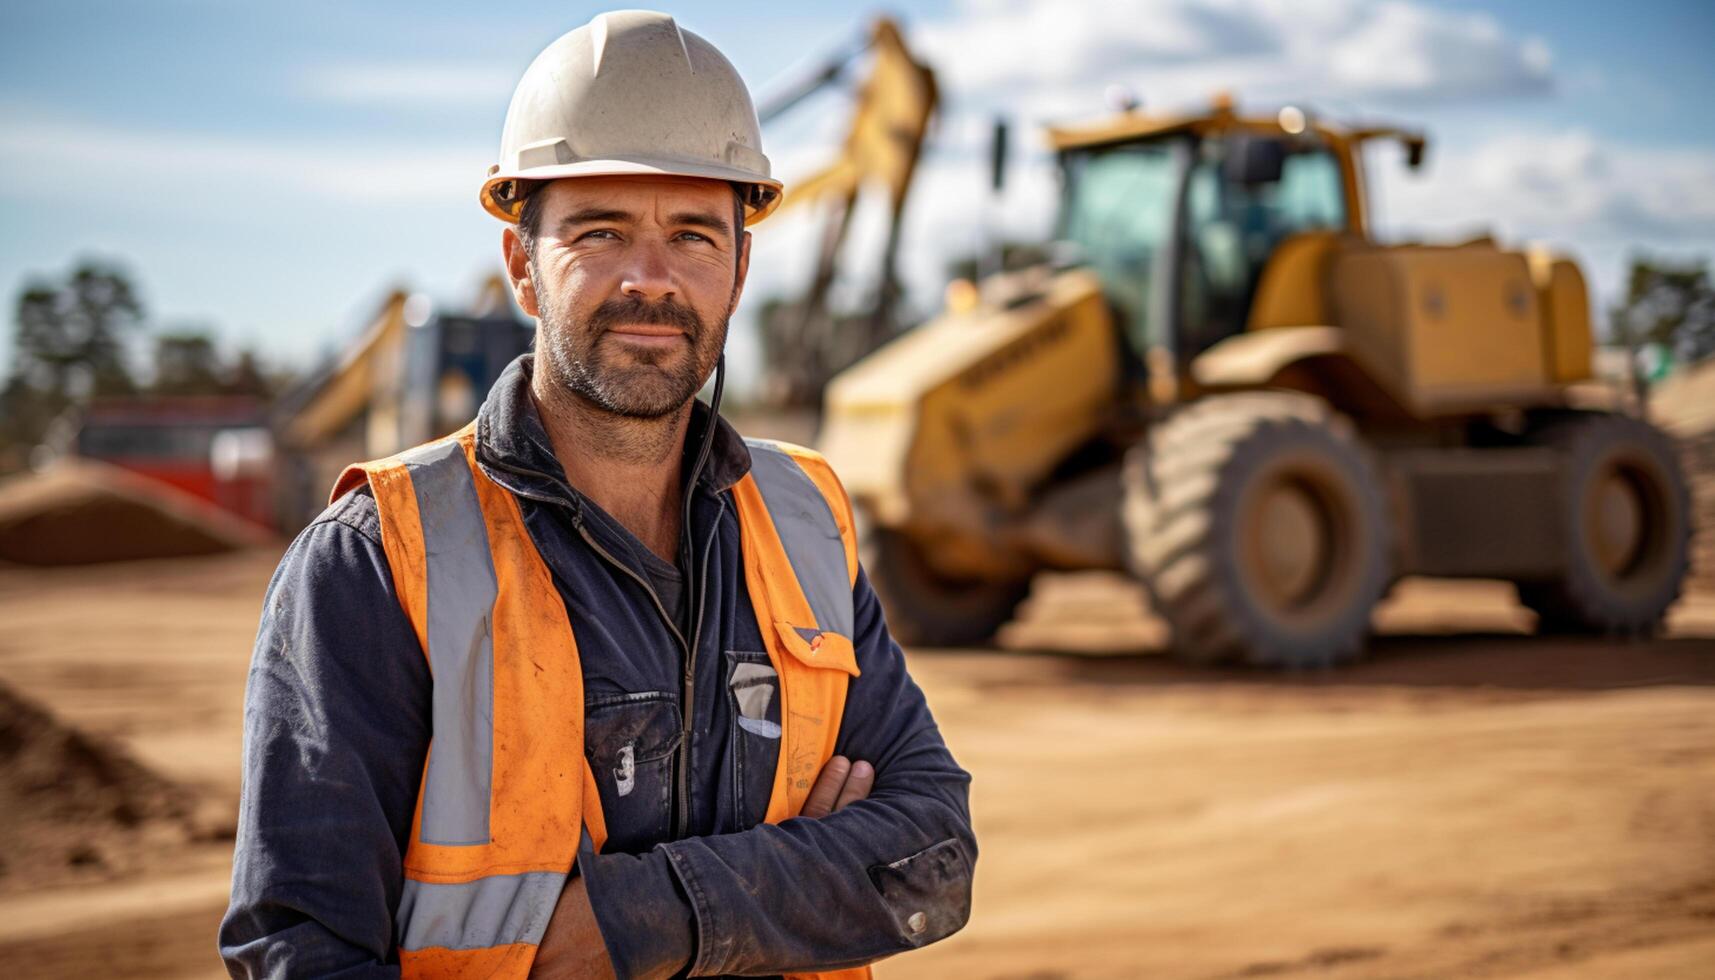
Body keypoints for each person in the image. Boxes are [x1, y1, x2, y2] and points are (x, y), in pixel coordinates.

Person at [219, 10, 975, 979]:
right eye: (599, 230)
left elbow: (932, 852)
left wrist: (631, 921)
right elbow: (298, 949)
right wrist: (812, 873)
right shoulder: (382, 557)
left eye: (694, 234)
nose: (649, 280)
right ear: (520, 267)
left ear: (739, 269)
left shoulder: (802, 520)